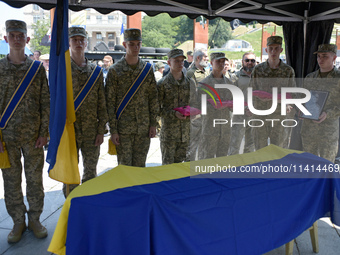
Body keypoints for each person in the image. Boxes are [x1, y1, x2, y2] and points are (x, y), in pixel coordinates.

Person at [0, 20, 49, 243]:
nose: (17, 39)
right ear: (6, 39)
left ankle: (35, 219)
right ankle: (18, 221)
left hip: (33, 137)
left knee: (35, 180)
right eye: (13, 35)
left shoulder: (37, 69)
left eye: (21, 35)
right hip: (6, 137)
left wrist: (43, 132)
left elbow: (45, 102)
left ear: (27, 39)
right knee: (11, 181)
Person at [105, 28, 159, 167]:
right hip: (123, 129)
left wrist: (153, 123)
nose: (136, 47)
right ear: (124, 45)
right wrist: (114, 130)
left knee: (140, 167)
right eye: (131, 44)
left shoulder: (147, 69)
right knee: (124, 168)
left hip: (143, 128)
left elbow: (153, 98)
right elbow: (110, 103)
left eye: (138, 44)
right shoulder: (115, 71)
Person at [64, 27, 108, 196]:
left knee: (90, 172)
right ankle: (71, 207)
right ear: (69, 43)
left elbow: (101, 104)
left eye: (81, 40)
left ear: (86, 42)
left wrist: (100, 131)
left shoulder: (95, 72)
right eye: (74, 40)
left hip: (91, 131)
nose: (78, 43)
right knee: (70, 174)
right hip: (69, 130)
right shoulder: (63, 69)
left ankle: (88, 206)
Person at [249, 36, 296, 150]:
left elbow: (292, 93)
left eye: (276, 48)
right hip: (260, 113)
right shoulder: (258, 69)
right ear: (266, 50)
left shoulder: (288, 70)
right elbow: (251, 90)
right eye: (270, 48)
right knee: (260, 148)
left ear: (281, 50)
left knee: (278, 148)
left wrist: (289, 105)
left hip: (279, 115)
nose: (273, 51)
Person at [301, 44, 340, 162]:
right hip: (309, 130)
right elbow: (303, 98)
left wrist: (327, 114)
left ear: (334, 58)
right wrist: (301, 109)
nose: (320, 59)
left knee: (327, 168)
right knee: (309, 166)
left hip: (328, 132)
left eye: (324, 56)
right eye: (318, 56)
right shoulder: (310, 77)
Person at [157, 49, 196, 165]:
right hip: (169, 135)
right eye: (176, 61)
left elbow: (195, 103)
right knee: (168, 169)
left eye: (182, 61)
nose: (180, 64)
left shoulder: (190, 83)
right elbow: (156, 109)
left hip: (187, 134)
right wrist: (173, 113)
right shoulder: (162, 84)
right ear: (169, 63)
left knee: (185, 170)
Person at [198, 52, 234, 159]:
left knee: (222, 160)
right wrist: (216, 106)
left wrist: (228, 104)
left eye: (223, 61)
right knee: (206, 159)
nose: (221, 64)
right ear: (211, 62)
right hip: (210, 129)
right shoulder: (204, 84)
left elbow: (234, 104)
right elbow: (200, 107)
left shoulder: (229, 83)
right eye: (218, 61)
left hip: (225, 130)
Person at [229, 52, 256, 155]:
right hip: (239, 115)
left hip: (255, 115)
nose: (250, 63)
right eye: (247, 60)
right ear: (242, 62)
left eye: (252, 61)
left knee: (251, 144)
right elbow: (231, 97)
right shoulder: (235, 77)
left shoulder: (259, 76)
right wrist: (245, 108)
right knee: (235, 144)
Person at [186, 49, 210, 161]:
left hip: (207, 113)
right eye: (205, 56)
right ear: (198, 58)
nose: (207, 59)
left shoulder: (207, 72)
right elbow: (191, 94)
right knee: (192, 144)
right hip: (196, 114)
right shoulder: (191, 73)